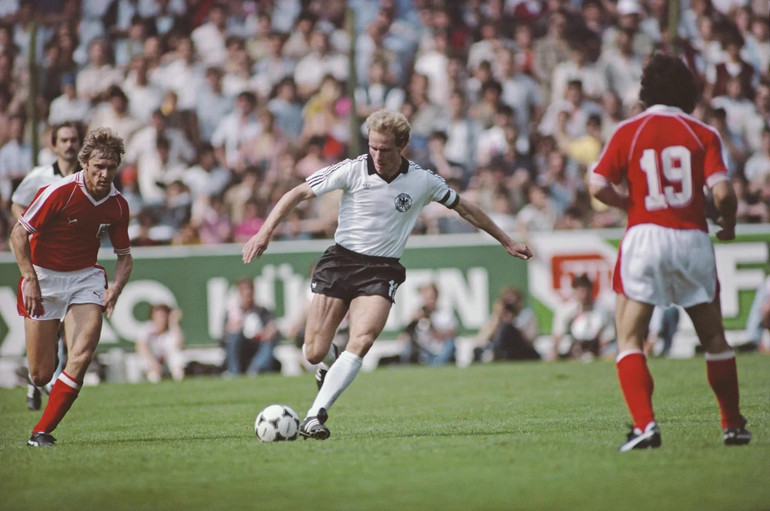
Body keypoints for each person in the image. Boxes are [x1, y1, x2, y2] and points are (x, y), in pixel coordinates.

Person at [242, 109, 533, 440]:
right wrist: (264, 233)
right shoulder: (352, 170)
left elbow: (465, 207)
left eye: (385, 149)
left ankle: (314, 416)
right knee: (313, 352)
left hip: (381, 269)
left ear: (403, 146)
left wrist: (506, 240)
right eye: (373, 147)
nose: (377, 155)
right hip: (340, 262)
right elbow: (297, 193)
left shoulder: (423, 180)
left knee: (362, 340)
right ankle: (328, 363)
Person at [589, 54, 751, 451]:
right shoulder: (703, 133)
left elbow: (595, 185)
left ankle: (645, 426)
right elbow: (725, 193)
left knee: (629, 336)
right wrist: (727, 224)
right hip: (692, 236)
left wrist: (628, 203)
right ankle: (732, 425)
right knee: (715, 338)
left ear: (646, 93)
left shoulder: (629, 131)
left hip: (645, 237)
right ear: (688, 91)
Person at [10, 127, 133, 447]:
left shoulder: (118, 205)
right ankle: (47, 349)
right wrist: (31, 280)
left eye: (111, 168)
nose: (105, 174)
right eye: (99, 167)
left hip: (84, 279)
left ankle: (41, 431)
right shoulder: (59, 191)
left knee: (82, 354)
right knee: (40, 375)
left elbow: (124, 257)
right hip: (44, 278)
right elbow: (18, 235)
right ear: (85, 164)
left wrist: (115, 288)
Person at [11, 121, 82, 411]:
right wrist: (31, 226)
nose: (69, 145)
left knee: (72, 327)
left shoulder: (86, 176)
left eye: (73, 139)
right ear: (53, 145)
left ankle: (51, 380)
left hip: (75, 259)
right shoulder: (40, 176)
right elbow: (17, 203)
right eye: (63, 140)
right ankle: (37, 380)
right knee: (48, 328)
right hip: (44, 262)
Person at [222, 278, 280, 377]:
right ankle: (234, 372)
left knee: (271, 339)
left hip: (258, 344)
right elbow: (224, 333)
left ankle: (255, 370)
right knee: (233, 337)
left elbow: (272, 325)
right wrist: (233, 328)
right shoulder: (233, 312)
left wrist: (269, 331)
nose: (247, 293)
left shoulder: (262, 310)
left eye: (250, 290)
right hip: (241, 345)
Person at [550, 274, 615, 361]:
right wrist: (554, 352)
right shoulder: (566, 310)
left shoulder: (602, 311)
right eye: (581, 291)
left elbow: (609, 335)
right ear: (575, 291)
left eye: (586, 291)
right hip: (572, 349)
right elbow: (558, 333)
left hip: (596, 349)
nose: (584, 295)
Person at [475, 286, 540, 362]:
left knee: (507, 328)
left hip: (519, 350)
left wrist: (513, 324)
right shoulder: (496, 317)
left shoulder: (527, 315)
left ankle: (494, 354)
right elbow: (480, 340)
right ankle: (494, 353)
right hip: (497, 349)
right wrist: (498, 320)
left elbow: (530, 341)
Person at [400, 283, 458, 366]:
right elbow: (402, 337)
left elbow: (450, 334)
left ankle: (438, 365)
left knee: (451, 343)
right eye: (427, 298)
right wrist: (412, 323)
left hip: (439, 351)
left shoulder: (445, 314)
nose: (430, 301)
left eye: (432, 297)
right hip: (422, 352)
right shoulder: (417, 315)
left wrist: (431, 323)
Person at [136, 303, 185, 382]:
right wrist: (153, 363)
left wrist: (174, 323)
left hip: (167, 363)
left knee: (177, 356)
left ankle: (178, 380)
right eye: (158, 316)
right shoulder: (147, 330)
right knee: (151, 371)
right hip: (152, 361)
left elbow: (179, 345)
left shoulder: (170, 331)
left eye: (163, 316)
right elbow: (141, 347)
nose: (161, 319)